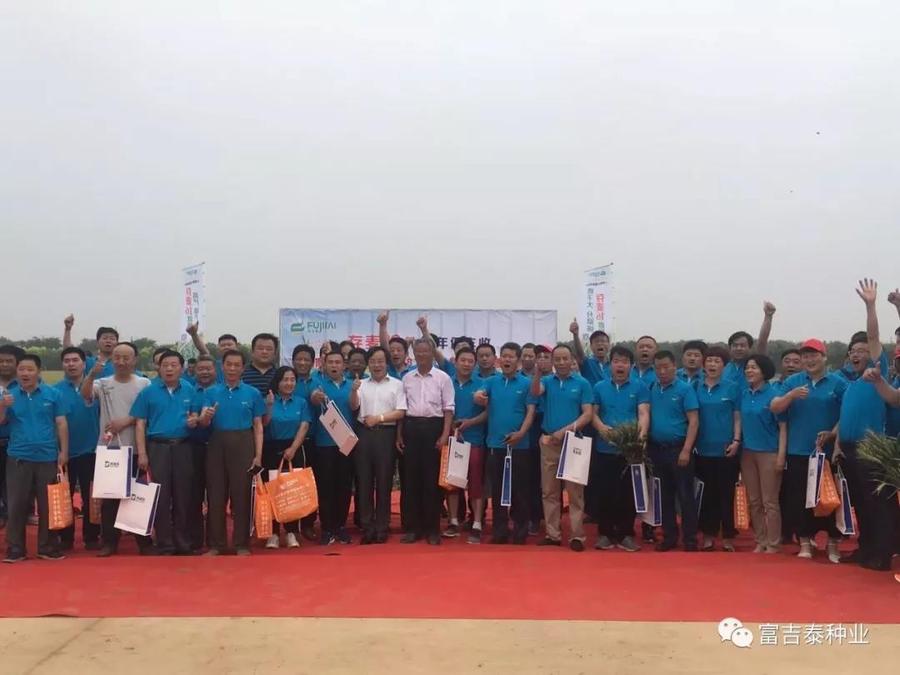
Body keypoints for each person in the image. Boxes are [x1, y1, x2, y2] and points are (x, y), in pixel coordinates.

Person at [770, 339, 846, 563]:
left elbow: (847, 413)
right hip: (799, 451)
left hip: (828, 452)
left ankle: (833, 543)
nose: (809, 360)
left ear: (824, 357)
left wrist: (832, 433)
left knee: (831, 499)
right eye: (805, 356)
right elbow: (775, 406)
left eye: (814, 355)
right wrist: (791, 396)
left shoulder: (838, 383)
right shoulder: (793, 382)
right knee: (800, 499)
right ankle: (805, 542)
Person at [835, 279, 893, 571]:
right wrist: (836, 442)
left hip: (871, 448)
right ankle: (866, 547)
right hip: (848, 448)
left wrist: (871, 306)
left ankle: (882, 553)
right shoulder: (851, 384)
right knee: (860, 502)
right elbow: (844, 418)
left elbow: (873, 336)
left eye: (862, 349)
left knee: (877, 503)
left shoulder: (876, 374)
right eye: (852, 351)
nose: (856, 354)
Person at [81, 342, 152, 557]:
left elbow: (147, 412)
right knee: (110, 499)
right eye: (117, 357)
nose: (121, 362)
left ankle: (144, 543)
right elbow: (85, 395)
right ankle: (109, 542)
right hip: (110, 448)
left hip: (136, 447)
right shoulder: (103, 383)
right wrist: (91, 374)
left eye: (126, 357)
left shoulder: (144, 383)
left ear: (134, 360)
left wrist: (126, 421)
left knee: (137, 497)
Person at [0, 354, 69, 563]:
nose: (25, 373)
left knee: (48, 504)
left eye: (30, 369)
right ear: (17, 372)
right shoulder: (9, 396)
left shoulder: (53, 394)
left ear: (39, 371)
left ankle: (47, 546)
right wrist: (3, 405)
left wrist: (64, 452)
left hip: (47, 456)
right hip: (18, 457)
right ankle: (16, 548)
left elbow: (61, 423)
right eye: (21, 369)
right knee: (16, 504)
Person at [131, 350, 200, 556]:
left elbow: (195, 414)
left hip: (183, 447)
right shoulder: (148, 392)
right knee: (160, 496)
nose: (169, 369)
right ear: (158, 368)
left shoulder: (189, 389)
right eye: (165, 365)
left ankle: (183, 542)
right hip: (157, 447)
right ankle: (165, 542)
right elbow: (140, 423)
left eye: (174, 365)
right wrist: (142, 453)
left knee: (183, 495)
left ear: (182, 368)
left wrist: (194, 420)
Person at [200, 349, 264, 556]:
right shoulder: (211, 392)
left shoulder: (252, 393)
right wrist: (207, 417)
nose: (232, 368)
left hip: (244, 443)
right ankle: (216, 544)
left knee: (242, 495)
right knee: (216, 495)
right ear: (222, 366)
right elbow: (203, 421)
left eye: (237, 365)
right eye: (229, 364)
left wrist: (258, 455)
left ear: (243, 368)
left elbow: (258, 426)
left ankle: (241, 544)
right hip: (217, 443)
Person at [529, 344, 593, 551]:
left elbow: (587, 414)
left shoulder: (582, 383)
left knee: (575, 493)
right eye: (557, 359)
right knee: (549, 491)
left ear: (571, 359)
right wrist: (538, 371)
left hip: (573, 442)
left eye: (565, 358)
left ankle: (577, 536)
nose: (562, 363)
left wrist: (566, 431)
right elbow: (535, 391)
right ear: (552, 362)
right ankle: (553, 534)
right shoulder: (547, 381)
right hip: (549, 442)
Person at [473, 343, 537, 546]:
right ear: (500, 360)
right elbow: (479, 394)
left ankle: (520, 531)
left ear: (518, 360)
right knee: (498, 489)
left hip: (520, 445)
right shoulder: (492, 381)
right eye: (504, 356)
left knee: (520, 490)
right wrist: (478, 396)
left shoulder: (526, 383)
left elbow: (531, 412)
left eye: (511, 356)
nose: (507, 360)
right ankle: (500, 531)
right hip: (496, 445)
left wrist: (521, 433)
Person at [591, 345, 650, 552]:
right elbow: (593, 413)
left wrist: (640, 439)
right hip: (605, 448)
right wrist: (601, 428)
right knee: (605, 492)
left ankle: (626, 534)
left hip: (630, 450)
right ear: (610, 364)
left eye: (624, 362)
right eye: (616, 361)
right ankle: (605, 533)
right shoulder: (599, 387)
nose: (620, 365)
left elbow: (643, 413)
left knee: (628, 493)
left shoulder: (640, 387)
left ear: (631, 366)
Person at [398, 339, 455, 545]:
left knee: (432, 481)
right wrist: (399, 435)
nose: (421, 355)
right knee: (411, 480)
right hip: (411, 428)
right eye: (418, 351)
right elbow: (402, 409)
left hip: (434, 428)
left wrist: (444, 434)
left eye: (425, 351)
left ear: (432, 352)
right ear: (413, 354)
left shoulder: (443, 378)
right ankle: (413, 528)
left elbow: (448, 409)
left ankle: (433, 529)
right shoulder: (407, 378)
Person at [349, 347, 406, 544]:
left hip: (386, 435)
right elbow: (354, 406)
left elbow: (400, 412)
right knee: (364, 481)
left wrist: (379, 418)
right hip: (363, 434)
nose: (377, 365)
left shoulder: (397, 385)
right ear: (368, 364)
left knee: (384, 481)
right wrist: (353, 390)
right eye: (373, 361)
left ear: (386, 363)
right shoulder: (361, 384)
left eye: (380, 361)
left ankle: (382, 526)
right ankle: (367, 526)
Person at [647, 351, 700, 551]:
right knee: (664, 496)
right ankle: (669, 537)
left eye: (666, 367)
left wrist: (686, 450)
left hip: (679, 449)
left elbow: (694, 421)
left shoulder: (685, 389)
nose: (662, 371)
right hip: (657, 450)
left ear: (674, 366)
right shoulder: (652, 388)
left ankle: (690, 539)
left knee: (685, 496)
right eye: (658, 367)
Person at [694, 345, 741, 552]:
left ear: (724, 365)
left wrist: (736, 440)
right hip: (702, 450)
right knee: (707, 496)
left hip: (726, 450)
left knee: (726, 494)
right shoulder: (695, 386)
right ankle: (708, 536)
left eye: (717, 361)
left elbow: (737, 416)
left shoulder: (732, 387)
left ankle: (728, 536)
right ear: (703, 364)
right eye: (709, 361)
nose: (712, 364)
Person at [310, 349, 358, 545]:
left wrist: (355, 391)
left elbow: (355, 407)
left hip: (346, 443)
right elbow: (313, 397)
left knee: (344, 486)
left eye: (338, 362)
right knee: (326, 486)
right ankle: (327, 528)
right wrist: (316, 396)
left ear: (344, 365)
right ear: (324, 364)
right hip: (324, 443)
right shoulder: (317, 383)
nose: (334, 366)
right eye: (330, 362)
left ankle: (340, 526)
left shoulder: (352, 384)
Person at [261, 366, 312, 549]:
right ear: (277, 382)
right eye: (285, 379)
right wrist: (268, 406)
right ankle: (273, 533)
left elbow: (304, 426)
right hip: (271, 449)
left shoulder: (301, 402)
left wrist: (293, 448)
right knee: (272, 491)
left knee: (292, 491)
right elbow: (263, 424)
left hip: (294, 448)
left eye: (292, 380)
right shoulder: (268, 400)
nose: (289, 383)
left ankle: (291, 532)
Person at [55, 347, 101, 551]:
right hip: (65, 452)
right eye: (67, 361)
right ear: (62, 364)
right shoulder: (55, 391)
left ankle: (92, 536)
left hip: (92, 450)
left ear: (84, 363)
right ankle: (65, 538)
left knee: (92, 497)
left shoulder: (96, 387)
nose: (71, 364)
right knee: (64, 496)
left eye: (75, 360)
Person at [740, 354, 786, 553]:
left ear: (764, 371)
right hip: (747, 452)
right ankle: (760, 540)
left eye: (754, 367)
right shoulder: (744, 394)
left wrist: (781, 456)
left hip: (769, 452)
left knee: (770, 501)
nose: (749, 371)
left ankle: (773, 542)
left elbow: (783, 428)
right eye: (748, 367)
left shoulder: (773, 395)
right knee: (754, 500)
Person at [444, 347, 488, 543]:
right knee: (452, 483)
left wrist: (470, 422)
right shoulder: (447, 382)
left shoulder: (482, 384)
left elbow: (489, 412)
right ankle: (453, 521)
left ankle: (477, 523)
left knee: (476, 484)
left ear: (475, 364)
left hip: (475, 440)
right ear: (455, 361)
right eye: (463, 360)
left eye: (471, 361)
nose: (467, 364)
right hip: (452, 440)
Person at [292, 344, 322, 541]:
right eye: (299, 359)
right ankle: (290, 525)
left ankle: (309, 523)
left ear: (312, 363)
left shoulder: (318, 381)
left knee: (311, 484)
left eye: (306, 360)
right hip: (287, 439)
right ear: (293, 361)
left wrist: (317, 398)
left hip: (312, 439)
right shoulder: (286, 378)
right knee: (290, 484)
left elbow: (319, 402)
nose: (302, 363)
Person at [188, 354, 217, 551]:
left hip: (217, 447)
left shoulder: (221, 391)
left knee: (216, 495)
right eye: (201, 369)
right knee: (194, 494)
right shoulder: (189, 391)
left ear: (215, 371)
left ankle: (215, 539)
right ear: (194, 371)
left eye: (208, 368)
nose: (205, 372)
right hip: (194, 447)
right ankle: (195, 540)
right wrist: (195, 420)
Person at [0, 344, 25, 529]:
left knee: (15, 485)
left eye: (9, 361)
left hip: (16, 443)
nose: (4, 365)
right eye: (1, 361)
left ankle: (16, 519)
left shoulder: (26, 384)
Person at [723, 302, 775, 387]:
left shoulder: (757, 364)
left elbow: (762, 342)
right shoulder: (723, 367)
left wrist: (768, 316)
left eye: (742, 345)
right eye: (735, 345)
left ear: (750, 348)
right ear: (730, 348)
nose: (739, 348)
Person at [570, 319, 610, 385]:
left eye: (603, 341)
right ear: (591, 346)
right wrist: (575, 335)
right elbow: (580, 354)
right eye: (596, 341)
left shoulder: (613, 365)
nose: (600, 343)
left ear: (609, 345)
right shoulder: (587, 363)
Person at [377, 311, 413, 379]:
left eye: (399, 350)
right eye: (392, 350)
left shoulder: (413, 371)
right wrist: (382, 325)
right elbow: (384, 346)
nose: (395, 353)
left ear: (406, 354)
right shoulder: (386, 370)